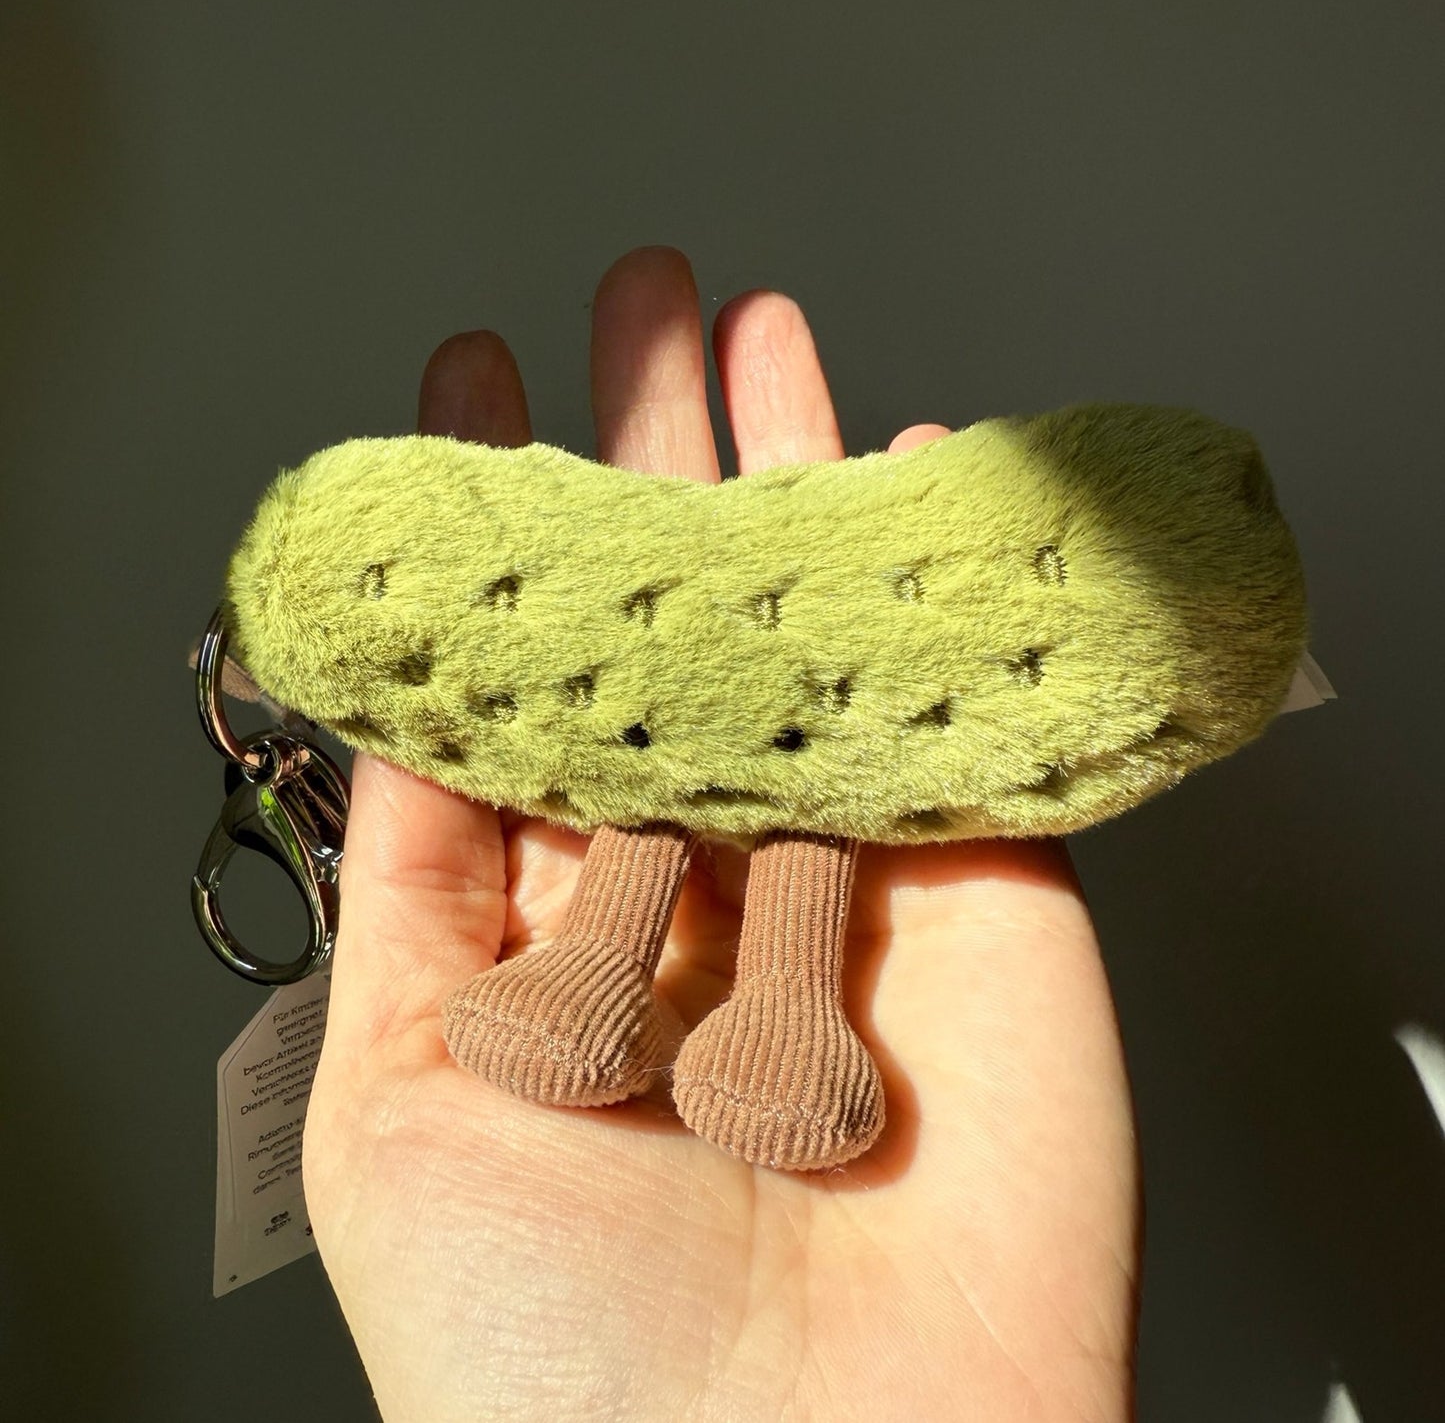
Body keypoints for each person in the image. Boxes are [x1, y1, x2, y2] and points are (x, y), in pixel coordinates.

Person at [302, 246, 1140, 1421]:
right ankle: (596, 967)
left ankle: (786, 1012)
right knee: (663, 794)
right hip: (677, 739)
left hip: (803, 759)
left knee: (789, 817)